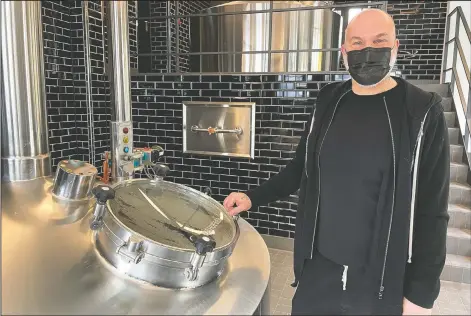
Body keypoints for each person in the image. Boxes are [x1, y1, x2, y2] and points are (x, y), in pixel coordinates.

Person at [223, 9, 450, 315]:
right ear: (343, 52)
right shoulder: (329, 101)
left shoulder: (422, 112)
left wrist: (422, 296)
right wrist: (252, 197)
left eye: (378, 41)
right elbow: (298, 169)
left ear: (396, 46)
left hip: (380, 282)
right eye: (356, 43)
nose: (367, 51)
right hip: (318, 274)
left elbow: (432, 212)